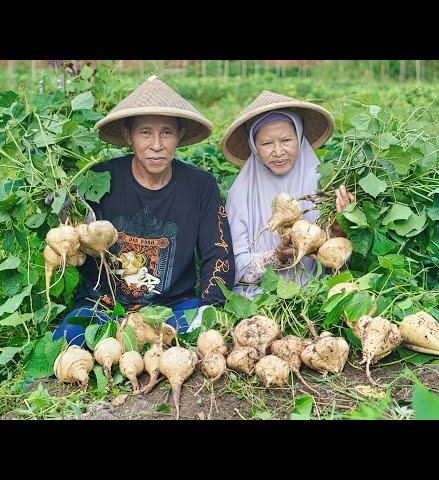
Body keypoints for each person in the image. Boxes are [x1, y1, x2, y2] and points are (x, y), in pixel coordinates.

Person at [53, 76, 235, 346]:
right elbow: (74, 237)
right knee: (67, 338)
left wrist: (211, 306)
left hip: (172, 310)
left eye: (167, 132)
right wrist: (62, 209)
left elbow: (218, 251)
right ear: (128, 135)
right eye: (145, 132)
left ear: (180, 135)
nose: (157, 145)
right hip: (104, 308)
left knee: (202, 331)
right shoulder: (97, 180)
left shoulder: (201, 186)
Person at [221, 90, 355, 298]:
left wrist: (341, 228)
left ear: (299, 138)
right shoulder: (240, 193)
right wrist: (277, 257)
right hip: (259, 299)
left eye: (286, 140)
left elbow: (339, 257)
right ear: (254, 147)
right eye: (266, 143)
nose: (278, 151)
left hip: (318, 294)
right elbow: (233, 267)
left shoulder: (325, 183)